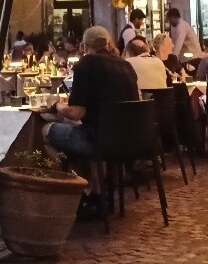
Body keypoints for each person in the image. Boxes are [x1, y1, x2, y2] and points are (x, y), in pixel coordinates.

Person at [45, 26, 138, 167]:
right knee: (78, 127)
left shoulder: (85, 64)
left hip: (98, 141)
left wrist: (56, 104)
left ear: (84, 45)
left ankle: (70, 182)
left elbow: (76, 113)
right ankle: (97, 181)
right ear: (107, 43)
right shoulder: (126, 65)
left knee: (46, 130)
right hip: (130, 139)